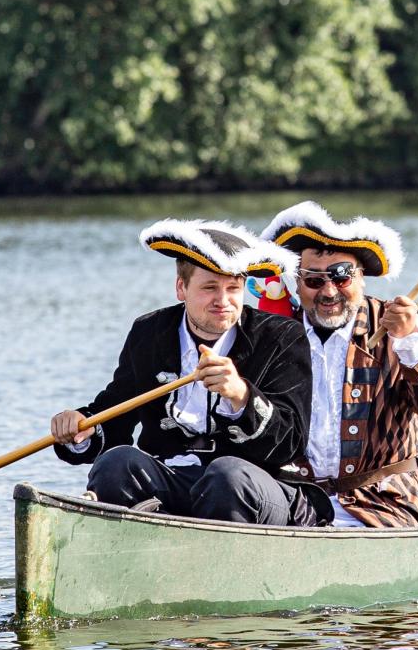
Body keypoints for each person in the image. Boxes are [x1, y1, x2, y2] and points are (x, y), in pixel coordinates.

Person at [51, 218, 332, 526]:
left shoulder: (281, 336)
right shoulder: (150, 332)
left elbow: (290, 443)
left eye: (233, 289)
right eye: (209, 287)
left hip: (259, 487)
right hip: (175, 480)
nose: (223, 301)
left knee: (227, 475)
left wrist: (241, 397)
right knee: (116, 464)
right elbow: (114, 418)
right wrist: (80, 429)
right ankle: (143, 546)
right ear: (181, 288)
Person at [260, 201, 418, 527]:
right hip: (296, 502)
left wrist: (412, 344)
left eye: (341, 276)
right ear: (296, 283)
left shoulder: (398, 326)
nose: (329, 291)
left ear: (361, 277)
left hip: (385, 504)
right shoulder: (276, 335)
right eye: (313, 280)